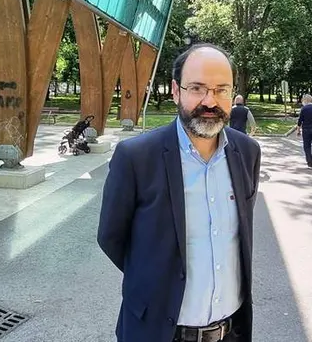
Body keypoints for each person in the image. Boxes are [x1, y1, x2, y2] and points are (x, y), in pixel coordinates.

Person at [98, 43, 262, 342]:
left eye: (221, 89)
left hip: (231, 332)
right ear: (176, 91)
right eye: (197, 88)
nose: (210, 101)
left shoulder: (247, 152)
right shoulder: (136, 157)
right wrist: (156, 278)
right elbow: (111, 237)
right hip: (159, 332)